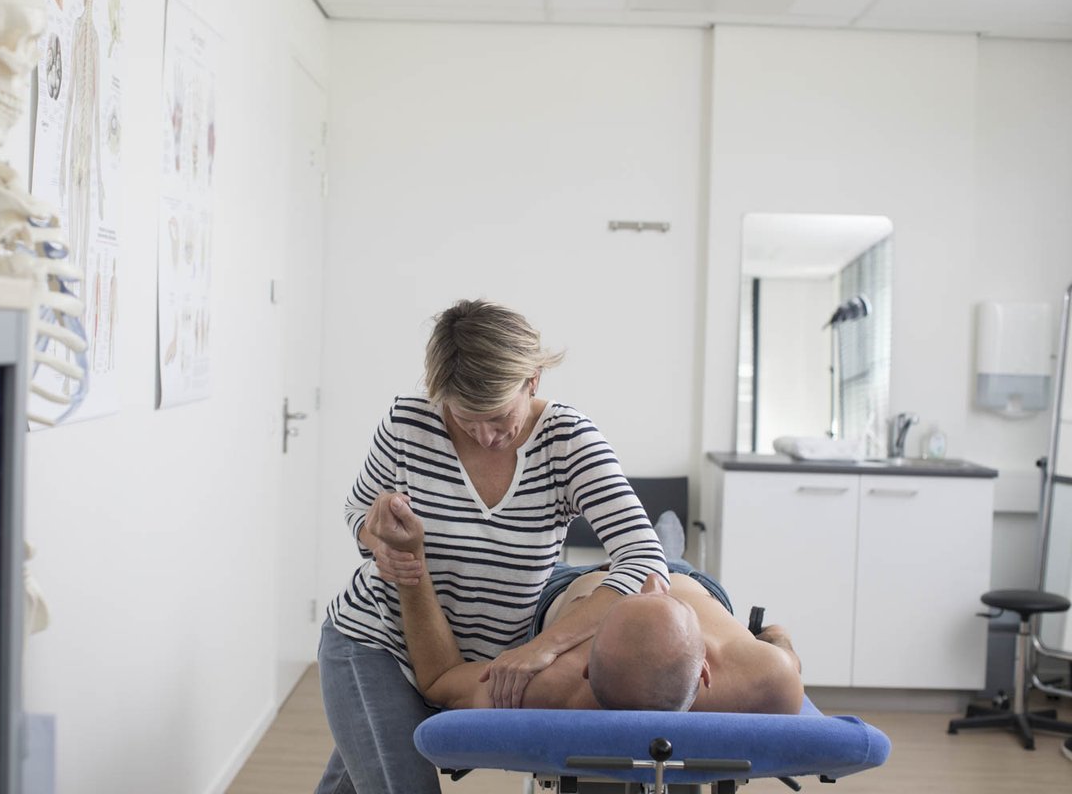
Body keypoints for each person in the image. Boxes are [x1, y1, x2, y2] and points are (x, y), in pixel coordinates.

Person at [316, 299, 669, 794]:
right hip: (376, 641)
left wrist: (542, 648)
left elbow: (644, 557)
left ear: (533, 381)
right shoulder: (408, 423)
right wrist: (376, 540)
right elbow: (356, 511)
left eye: (499, 417)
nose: (485, 436)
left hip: (469, 660)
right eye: (465, 419)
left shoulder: (568, 442)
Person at [372, 494, 805, 715]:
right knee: (669, 561)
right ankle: (664, 547)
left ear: (583, 663)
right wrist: (776, 636)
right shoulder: (769, 678)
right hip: (691, 582)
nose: (647, 581)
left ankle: (646, 549)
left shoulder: (548, 682)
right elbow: (785, 651)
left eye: (641, 592)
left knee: (571, 566)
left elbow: (438, 680)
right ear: (706, 668)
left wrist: (411, 559)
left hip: (576, 587)